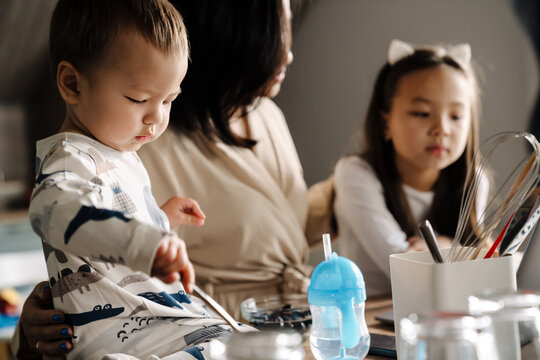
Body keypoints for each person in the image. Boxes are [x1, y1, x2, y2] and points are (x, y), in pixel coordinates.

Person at [14, 0, 321, 358]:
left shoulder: (122, 149)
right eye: (139, 99)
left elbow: (115, 221)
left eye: (169, 100)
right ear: (72, 84)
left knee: (241, 343)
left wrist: (159, 219)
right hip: (135, 333)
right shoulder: (73, 156)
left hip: (175, 320)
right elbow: (53, 208)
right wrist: (147, 241)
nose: (156, 119)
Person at [334, 39, 488, 296]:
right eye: (421, 113)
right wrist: (458, 251)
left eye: (456, 116)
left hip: (445, 312)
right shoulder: (356, 174)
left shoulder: (474, 180)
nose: (441, 129)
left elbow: (482, 265)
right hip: (374, 316)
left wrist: (447, 245)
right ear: (385, 124)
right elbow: (404, 268)